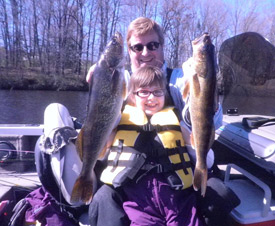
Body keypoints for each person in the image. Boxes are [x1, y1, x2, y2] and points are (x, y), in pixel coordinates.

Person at [35, 17, 239, 226]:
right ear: (128, 51)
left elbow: (212, 119)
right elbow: (101, 116)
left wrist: (207, 89)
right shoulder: (121, 81)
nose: (145, 53)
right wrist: (102, 75)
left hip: (177, 178)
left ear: (161, 46)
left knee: (217, 195)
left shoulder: (180, 79)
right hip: (131, 182)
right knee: (103, 199)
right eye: (137, 47)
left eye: (152, 45)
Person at [98, 65, 203, 225]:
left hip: (177, 194)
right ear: (132, 96)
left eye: (157, 92)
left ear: (164, 94)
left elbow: (198, 150)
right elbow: (100, 147)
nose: (151, 98)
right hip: (139, 200)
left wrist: (200, 151)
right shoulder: (120, 121)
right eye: (144, 92)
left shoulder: (175, 120)